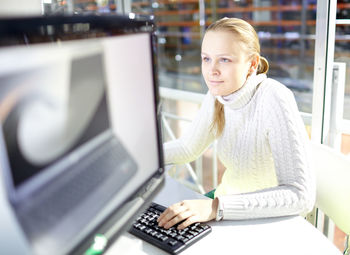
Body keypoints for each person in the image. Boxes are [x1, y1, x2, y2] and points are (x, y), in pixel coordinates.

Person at [157, 17, 316, 230]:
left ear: (251, 64)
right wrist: (144, 158)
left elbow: (301, 195)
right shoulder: (217, 94)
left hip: (268, 222)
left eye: (224, 60)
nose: (211, 70)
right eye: (206, 59)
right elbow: (188, 148)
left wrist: (215, 208)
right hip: (226, 206)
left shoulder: (274, 97)